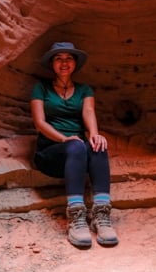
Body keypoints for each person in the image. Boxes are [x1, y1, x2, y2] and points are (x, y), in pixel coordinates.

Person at [30, 42, 119, 249]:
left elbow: (88, 112)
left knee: (98, 145)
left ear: (75, 63)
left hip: (77, 153)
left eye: (68, 58)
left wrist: (95, 135)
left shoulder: (84, 90)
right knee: (77, 146)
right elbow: (39, 123)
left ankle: (101, 215)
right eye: (58, 58)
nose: (64, 63)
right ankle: (76, 218)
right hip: (51, 152)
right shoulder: (41, 88)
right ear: (52, 63)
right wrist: (64, 139)